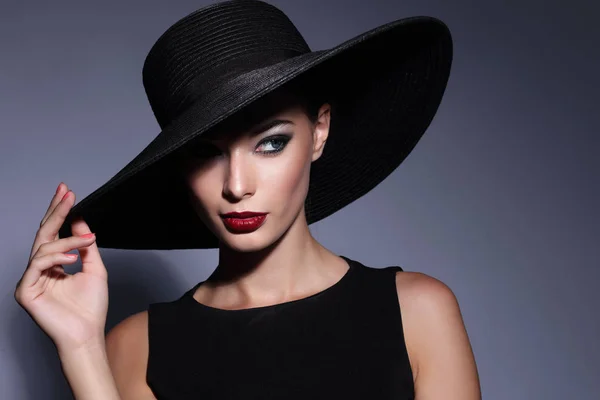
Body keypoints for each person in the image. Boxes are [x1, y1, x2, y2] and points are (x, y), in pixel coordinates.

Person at [14, 0, 481, 399]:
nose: (237, 185)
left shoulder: (416, 311)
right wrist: (80, 348)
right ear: (179, 167)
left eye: (271, 143)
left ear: (320, 131)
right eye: (207, 153)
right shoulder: (135, 346)